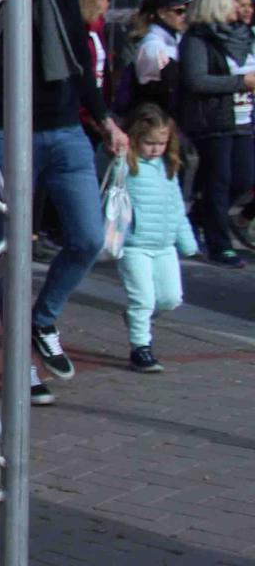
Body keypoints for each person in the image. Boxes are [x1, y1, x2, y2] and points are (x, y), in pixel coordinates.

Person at [0, 0, 128, 402]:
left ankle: (42, 320)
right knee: (10, 249)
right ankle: (22, 363)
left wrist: (104, 117)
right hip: (5, 128)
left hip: (65, 129)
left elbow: (81, 58)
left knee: (88, 235)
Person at [174, 0, 253, 270]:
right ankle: (220, 246)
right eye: (233, 0)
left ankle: (199, 219)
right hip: (214, 121)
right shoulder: (197, 40)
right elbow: (196, 80)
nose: (239, 7)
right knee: (217, 182)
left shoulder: (243, 35)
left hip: (244, 120)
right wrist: (240, 82)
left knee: (244, 178)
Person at [112, 104, 192, 372]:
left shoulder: (167, 166)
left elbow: (177, 205)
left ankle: (140, 319)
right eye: (149, 142)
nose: (155, 148)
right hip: (134, 246)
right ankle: (140, 348)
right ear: (136, 137)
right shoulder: (125, 163)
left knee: (171, 298)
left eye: (161, 142)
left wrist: (187, 241)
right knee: (143, 299)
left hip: (165, 245)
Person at [127, 0, 185, 112]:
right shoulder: (152, 45)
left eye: (185, 11)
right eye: (178, 11)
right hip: (157, 116)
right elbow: (150, 89)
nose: (183, 16)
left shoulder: (177, 40)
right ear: (162, 13)